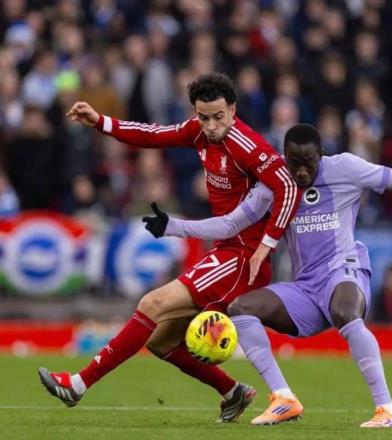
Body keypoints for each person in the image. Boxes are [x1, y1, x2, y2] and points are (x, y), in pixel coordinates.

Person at [146, 124, 392, 427]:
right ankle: (283, 397)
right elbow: (230, 224)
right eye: (294, 163)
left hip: (344, 271)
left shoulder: (346, 168)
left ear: (322, 155)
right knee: (241, 308)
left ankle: (386, 410)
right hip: (306, 288)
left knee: (345, 311)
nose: (301, 172)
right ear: (284, 157)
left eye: (308, 163)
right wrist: (173, 226)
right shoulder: (274, 183)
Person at [38, 73, 301, 423]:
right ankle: (232, 392)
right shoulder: (198, 131)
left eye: (218, 117)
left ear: (233, 109)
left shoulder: (247, 145)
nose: (210, 126)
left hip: (241, 258)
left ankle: (77, 385)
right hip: (225, 250)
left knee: (152, 303)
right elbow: (152, 135)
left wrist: (267, 244)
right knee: (160, 342)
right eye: (203, 117)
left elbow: (288, 185)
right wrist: (100, 121)